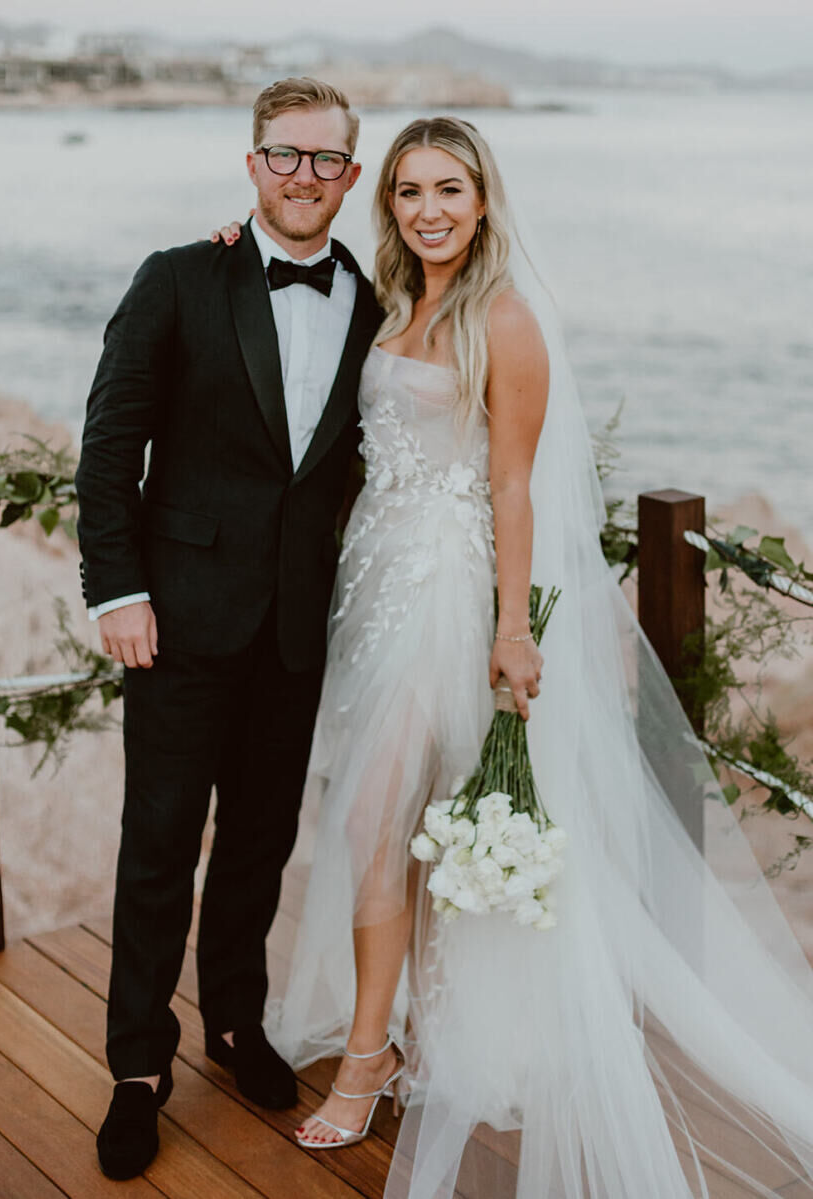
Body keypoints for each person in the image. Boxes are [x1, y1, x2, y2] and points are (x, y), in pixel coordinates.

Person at [220, 116, 813, 1197]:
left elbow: (508, 486)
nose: (429, 210)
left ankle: (368, 1060)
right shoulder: (394, 299)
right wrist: (241, 237)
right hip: (372, 588)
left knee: (379, 820)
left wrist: (509, 626)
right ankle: (413, 1033)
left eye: (450, 189)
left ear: (484, 199)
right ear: (388, 203)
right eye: (408, 191)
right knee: (403, 821)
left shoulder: (506, 319)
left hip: (449, 595)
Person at [75, 76, 382, 1180]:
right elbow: (111, 448)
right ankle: (136, 1066)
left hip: (298, 632)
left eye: (326, 160)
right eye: (285, 156)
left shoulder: (376, 302)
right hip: (178, 623)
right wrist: (117, 592)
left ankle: (237, 1023)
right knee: (157, 843)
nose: (305, 177)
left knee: (260, 841)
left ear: (352, 175)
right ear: (251, 164)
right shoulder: (177, 279)